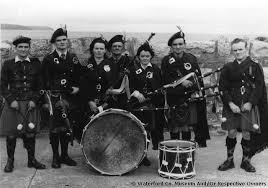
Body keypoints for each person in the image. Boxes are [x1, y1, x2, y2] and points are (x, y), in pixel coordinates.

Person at [218, 38, 268, 172]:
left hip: (248, 104)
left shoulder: (254, 66)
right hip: (232, 104)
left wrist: (251, 103)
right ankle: (229, 161)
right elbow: (222, 87)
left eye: (240, 49)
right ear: (232, 51)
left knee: (247, 133)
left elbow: (259, 87)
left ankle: (246, 161)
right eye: (235, 50)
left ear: (246, 49)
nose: (238, 52)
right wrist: (230, 103)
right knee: (232, 131)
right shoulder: (228, 67)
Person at [0, 36, 46, 172]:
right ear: (15, 49)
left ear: (29, 49)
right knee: (11, 134)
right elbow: (2, 85)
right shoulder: (7, 64)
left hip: (30, 103)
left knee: (30, 133)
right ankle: (10, 161)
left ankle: (31, 160)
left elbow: (40, 85)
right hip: (13, 103)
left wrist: (35, 100)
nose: (23, 49)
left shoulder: (36, 63)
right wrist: (10, 100)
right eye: (20, 47)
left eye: (26, 47)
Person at [161, 29, 210, 147]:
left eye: (180, 44)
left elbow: (197, 78)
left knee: (187, 127)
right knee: (175, 127)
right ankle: (174, 152)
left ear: (185, 45)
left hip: (189, 97)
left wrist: (195, 90)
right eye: (175, 45)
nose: (178, 47)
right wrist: (180, 82)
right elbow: (165, 80)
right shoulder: (166, 61)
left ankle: (185, 154)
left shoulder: (191, 58)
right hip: (174, 97)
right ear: (171, 47)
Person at [42, 28, 82, 168]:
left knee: (66, 127)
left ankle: (65, 155)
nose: (62, 42)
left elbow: (79, 76)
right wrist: (48, 97)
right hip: (55, 97)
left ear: (67, 41)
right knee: (54, 128)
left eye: (64, 40)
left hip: (70, 98)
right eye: (58, 40)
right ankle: (55, 157)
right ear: (54, 43)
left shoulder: (73, 57)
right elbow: (44, 80)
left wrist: (77, 87)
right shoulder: (48, 59)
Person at [128, 42, 164, 166]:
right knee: (137, 130)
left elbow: (159, 86)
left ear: (151, 57)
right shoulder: (133, 69)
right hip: (136, 105)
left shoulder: (155, 69)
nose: (144, 58)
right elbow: (128, 86)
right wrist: (136, 93)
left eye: (147, 56)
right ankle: (135, 154)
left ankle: (144, 155)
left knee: (147, 130)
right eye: (142, 56)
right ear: (138, 57)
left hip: (150, 105)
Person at [106, 35, 132, 109]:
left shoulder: (128, 61)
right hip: (109, 97)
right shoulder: (106, 62)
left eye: (119, 46)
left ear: (122, 48)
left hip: (125, 97)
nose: (117, 48)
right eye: (114, 46)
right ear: (111, 48)